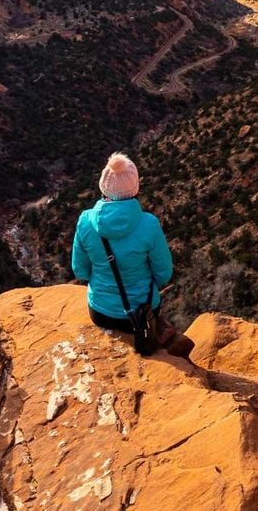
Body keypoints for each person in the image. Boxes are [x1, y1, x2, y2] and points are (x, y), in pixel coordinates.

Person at [70, 152, 194, 360]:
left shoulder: (85, 221)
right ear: (135, 188)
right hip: (142, 313)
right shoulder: (149, 224)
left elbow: (80, 270)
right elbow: (163, 273)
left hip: (100, 312)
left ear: (103, 186)